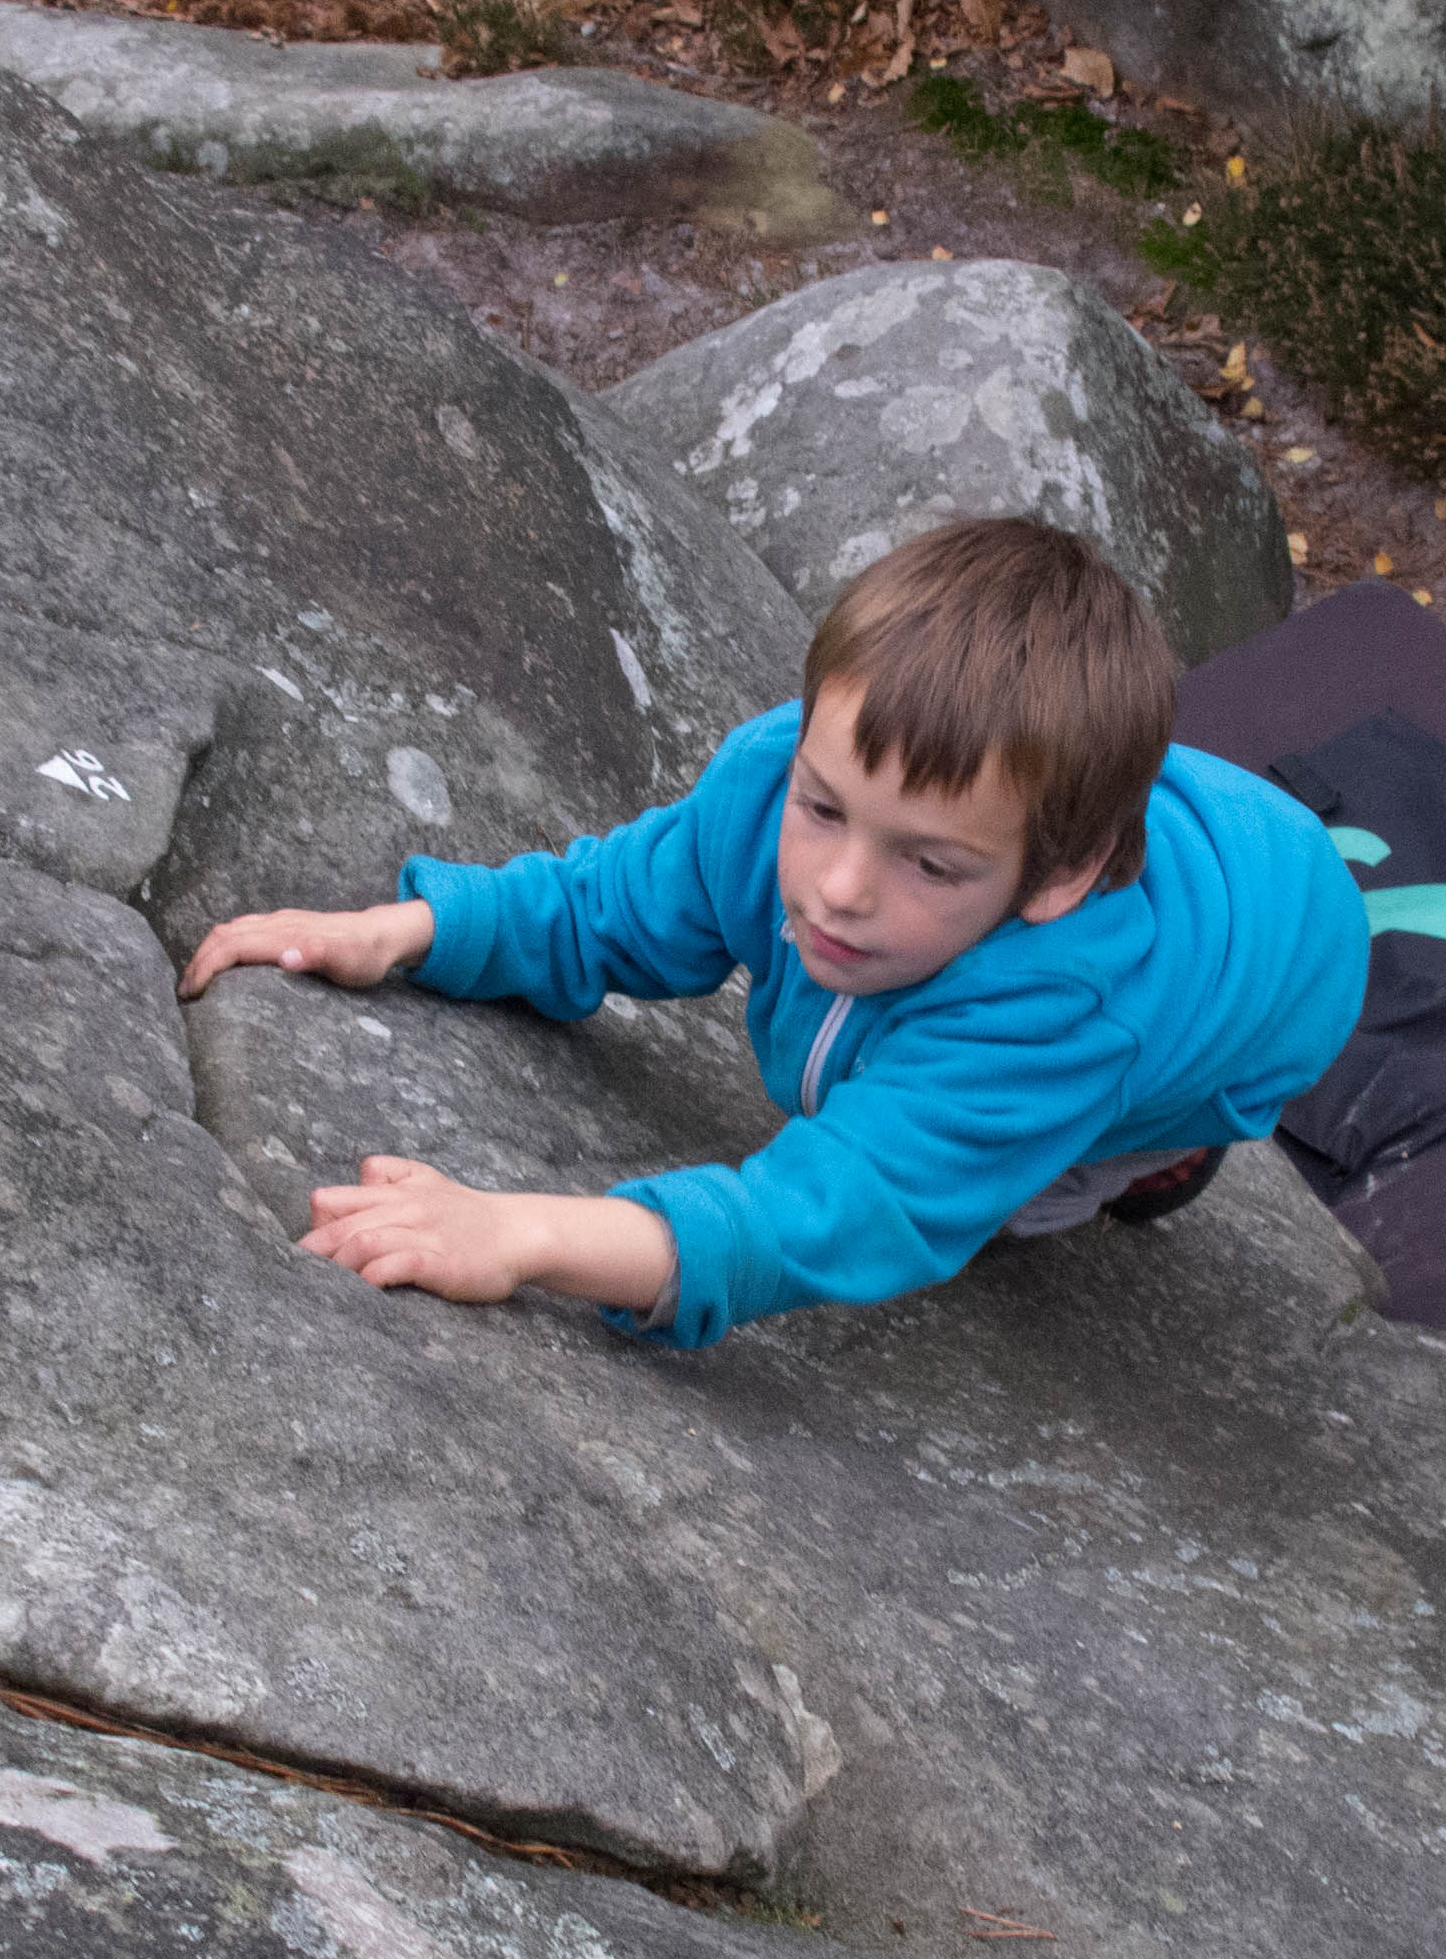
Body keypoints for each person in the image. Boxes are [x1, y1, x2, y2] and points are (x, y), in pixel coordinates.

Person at [175, 517, 1370, 1347]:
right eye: (824, 809)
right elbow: (612, 903)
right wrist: (413, 929)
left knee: (1010, 1197)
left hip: (1275, 976)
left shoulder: (1067, 1006)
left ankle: (1156, 1157)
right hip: (1188, 840)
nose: (838, 888)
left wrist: (517, 1232)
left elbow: (828, 1213)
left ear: (1057, 879)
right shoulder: (772, 781)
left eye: (928, 863)